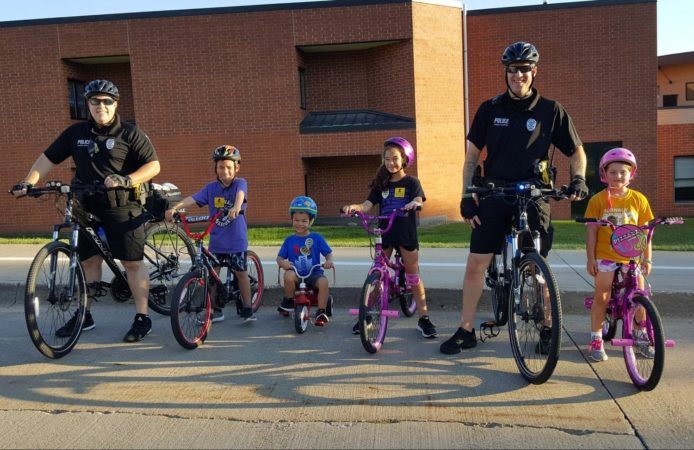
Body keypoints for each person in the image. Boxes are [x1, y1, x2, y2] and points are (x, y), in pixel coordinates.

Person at [440, 42, 588, 354]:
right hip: (495, 192)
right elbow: (470, 158)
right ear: (506, 72)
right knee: (476, 263)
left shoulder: (551, 110)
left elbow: (577, 151)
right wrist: (467, 196)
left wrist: (579, 179)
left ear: (534, 72)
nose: (517, 75)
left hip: (534, 194)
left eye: (524, 69)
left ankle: (548, 327)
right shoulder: (489, 109)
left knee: (537, 266)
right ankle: (466, 330)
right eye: (512, 69)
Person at [10, 79, 161, 342]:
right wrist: (29, 182)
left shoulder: (129, 133)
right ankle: (84, 315)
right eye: (94, 101)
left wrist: (127, 180)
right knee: (88, 262)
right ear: (87, 104)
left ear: (115, 104)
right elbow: (48, 158)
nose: (100, 106)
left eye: (106, 101)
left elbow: (153, 165)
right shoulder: (75, 133)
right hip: (85, 204)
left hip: (121, 205)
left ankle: (142, 317)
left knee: (131, 263)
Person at [342, 137, 438, 338]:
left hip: (405, 231)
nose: (390, 163)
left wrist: (414, 203)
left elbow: (419, 199)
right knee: (376, 272)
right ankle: (366, 315)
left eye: (395, 158)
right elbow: (368, 204)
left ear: (404, 159)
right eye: (387, 159)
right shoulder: (381, 184)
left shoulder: (411, 182)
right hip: (385, 231)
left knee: (412, 275)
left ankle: (424, 319)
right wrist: (355, 207)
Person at [165, 145, 256, 322]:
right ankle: (214, 309)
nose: (225, 171)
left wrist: (237, 207)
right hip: (217, 242)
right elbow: (193, 198)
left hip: (236, 241)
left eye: (229, 167)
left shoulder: (240, 183)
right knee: (212, 277)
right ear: (216, 168)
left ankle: (247, 307)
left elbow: (240, 195)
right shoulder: (211, 188)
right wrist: (175, 208)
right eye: (221, 167)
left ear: (236, 168)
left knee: (241, 273)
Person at [584, 148, 653, 362]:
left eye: (623, 172)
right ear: (604, 174)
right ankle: (596, 337)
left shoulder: (639, 199)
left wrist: (647, 258)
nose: (618, 176)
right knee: (602, 295)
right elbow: (592, 231)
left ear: (631, 174)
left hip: (632, 256)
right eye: (613, 172)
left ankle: (640, 333)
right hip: (606, 255)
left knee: (640, 295)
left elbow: (646, 232)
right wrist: (590, 258)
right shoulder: (598, 200)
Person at [277, 196, 334, 326]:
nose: (299, 224)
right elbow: (279, 258)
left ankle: (321, 311)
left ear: (310, 221)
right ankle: (289, 301)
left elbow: (328, 253)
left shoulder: (316, 238)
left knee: (324, 282)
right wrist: (283, 263)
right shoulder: (289, 240)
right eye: (296, 220)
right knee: (288, 274)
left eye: (304, 221)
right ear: (292, 219)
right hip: (297, 273)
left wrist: (329, 261)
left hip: (314, 273)